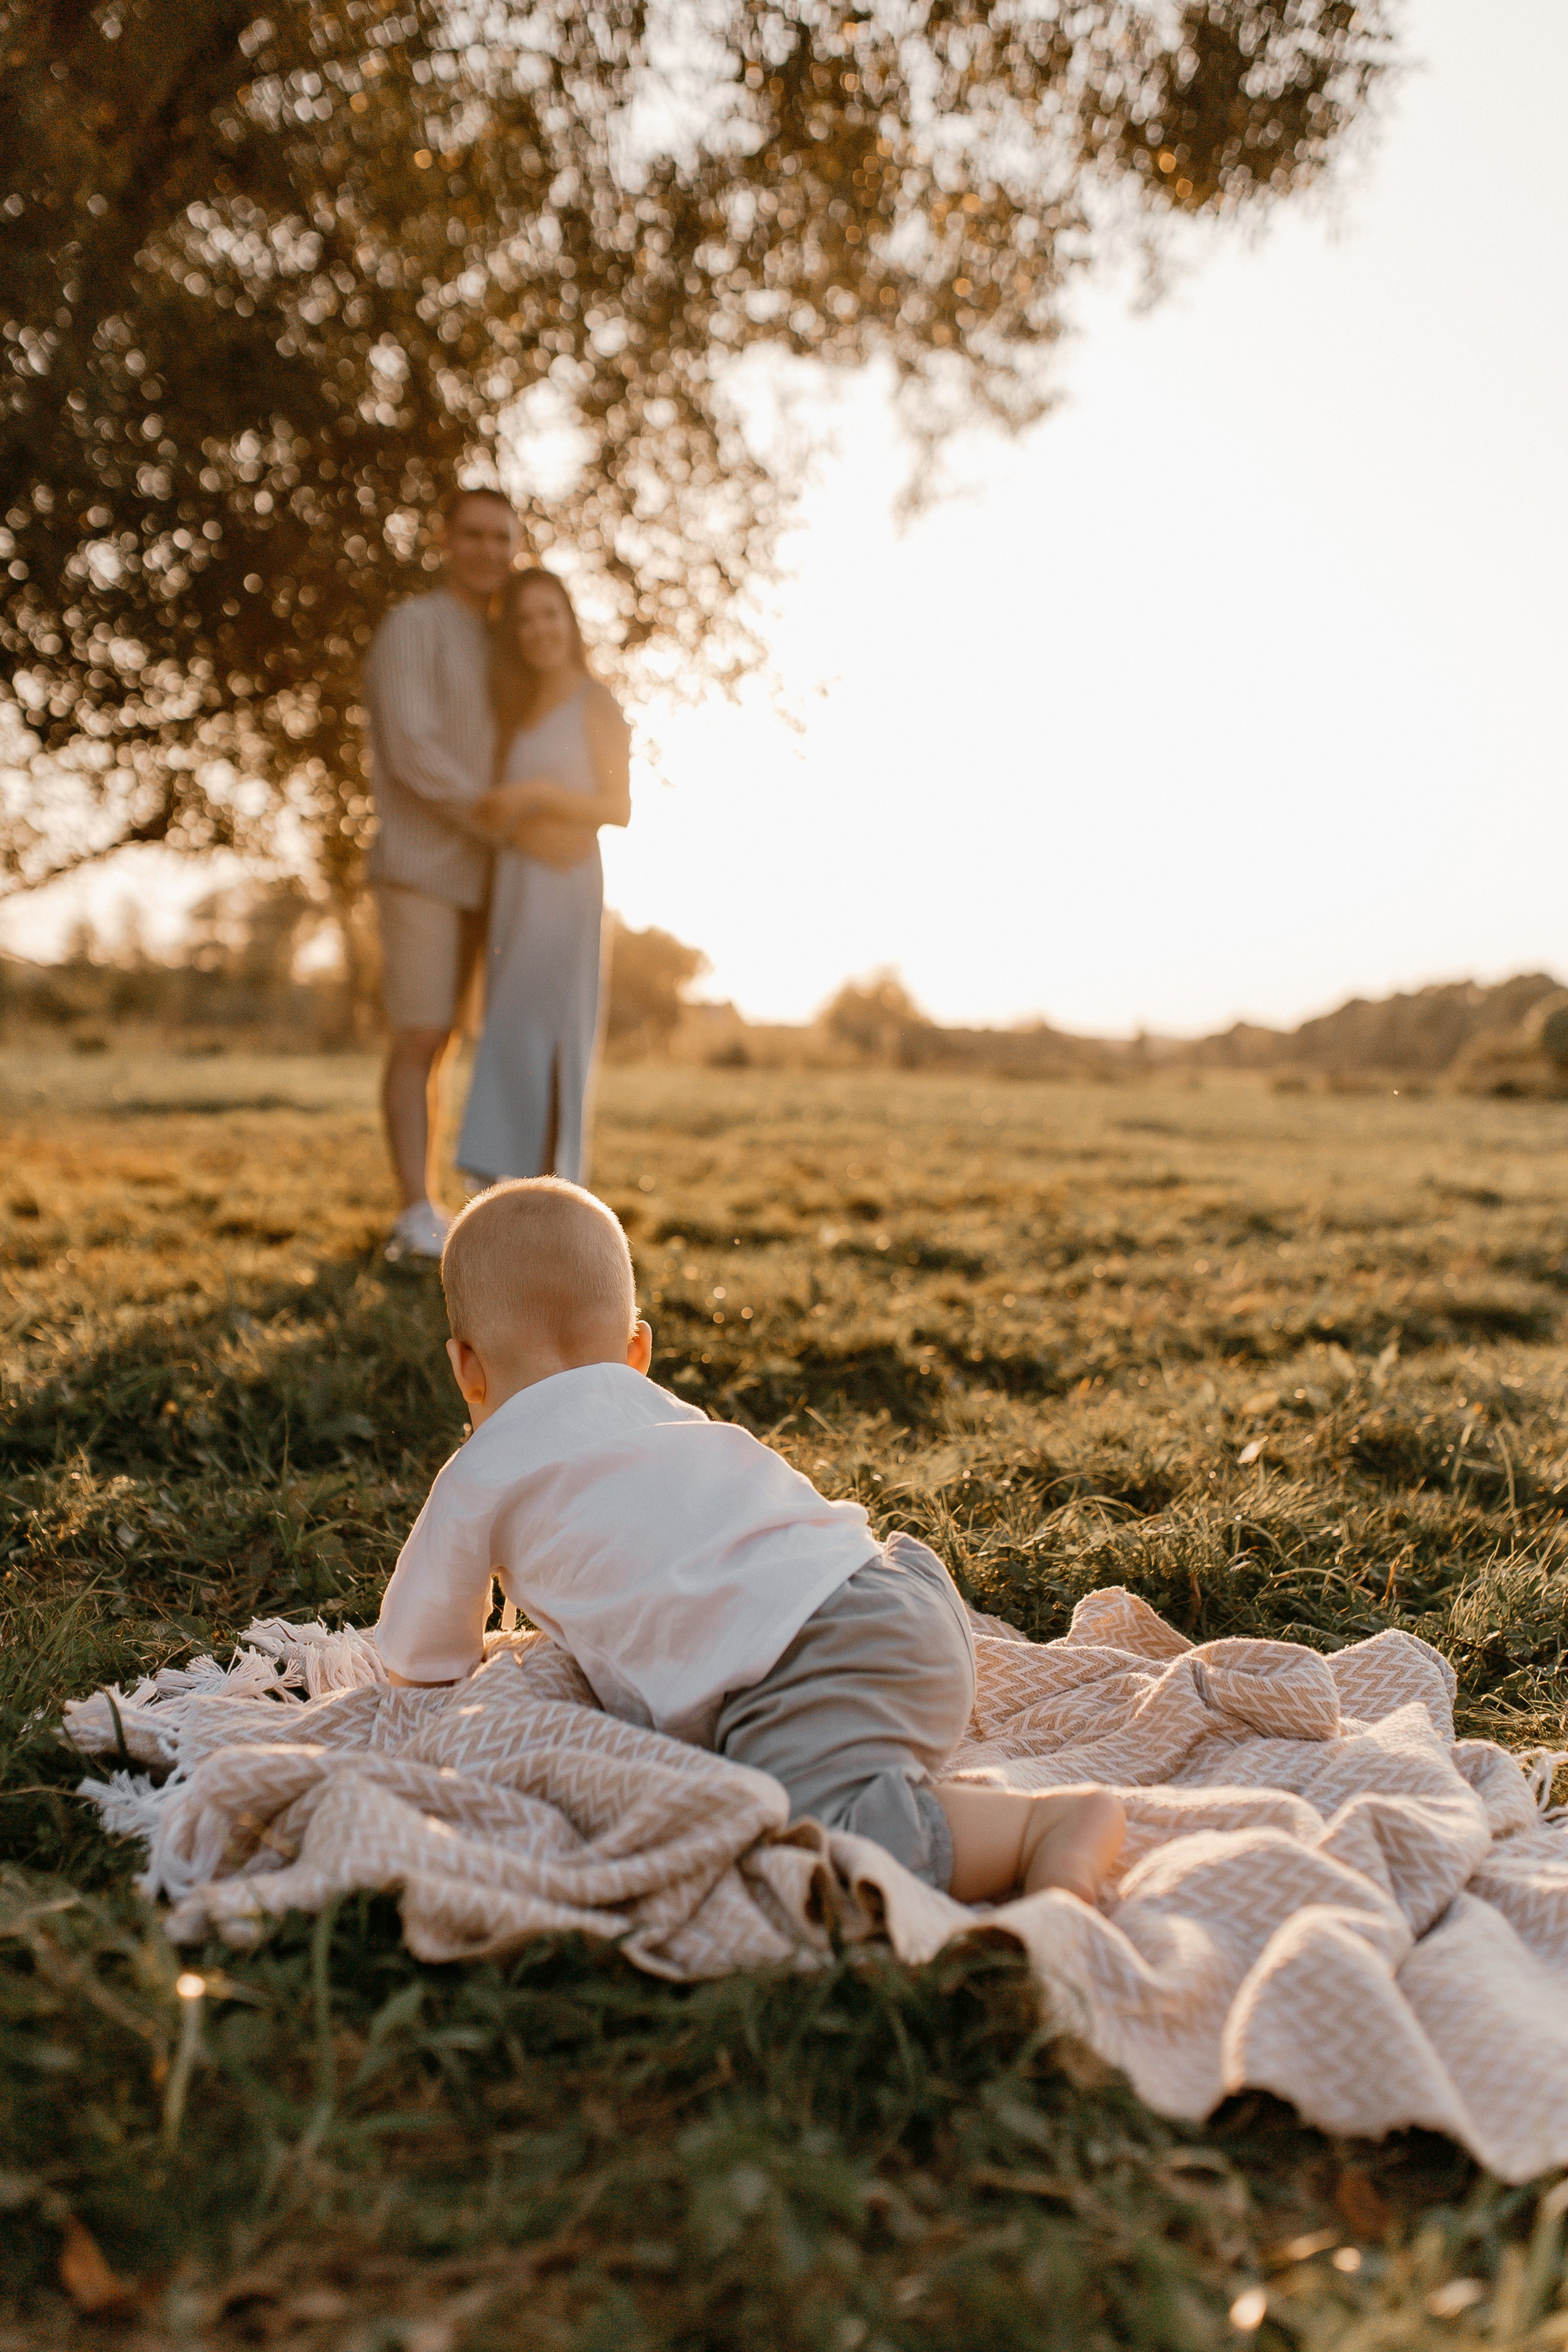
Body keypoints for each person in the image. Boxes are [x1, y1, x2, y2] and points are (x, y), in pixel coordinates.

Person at [374, 1179, 1126, 1907]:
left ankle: (1042, 1829)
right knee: (814, 1765)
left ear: (466, 1367)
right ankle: (893, 1767)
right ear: (637, 1351)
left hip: (805, 1671)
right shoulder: (666, 1413)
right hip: (901, 1592)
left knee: (804, 1837)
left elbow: (420, 1660)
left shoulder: (480, 1471)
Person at [363, 486, 522, 1263]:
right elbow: (410, 748)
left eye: (502, 538)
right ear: (445, 539)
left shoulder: (509, 643)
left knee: (462, 1040)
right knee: (419, 1034)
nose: (487, 550)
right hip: (421, 866)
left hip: (495, 877)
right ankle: (413, 1212)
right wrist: (493, 814)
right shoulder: (412, 626)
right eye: (474, 535)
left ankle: (458, 1202)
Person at [454, 568, 631, 1187]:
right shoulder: (513, 709)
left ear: (570, 620)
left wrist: (537, 793)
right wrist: (519, 829)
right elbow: (490, 811)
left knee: (550, 1033)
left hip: (567, 886)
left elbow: (619, 808)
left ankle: (552, 1186)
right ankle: (499, 1188)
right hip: (515, 886)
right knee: (508, 1029)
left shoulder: (596, 701)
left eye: (549, 614)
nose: (539, 630)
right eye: (525, 620)